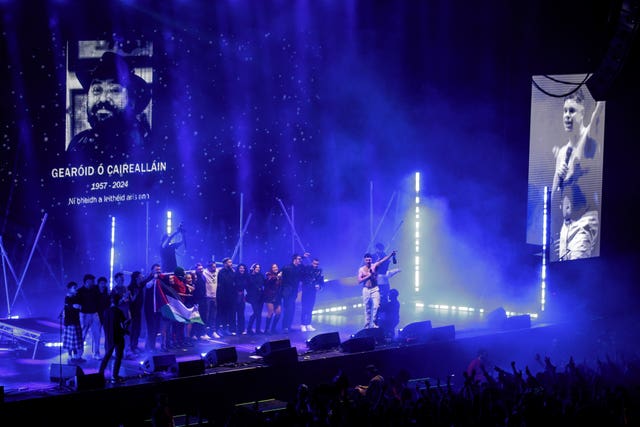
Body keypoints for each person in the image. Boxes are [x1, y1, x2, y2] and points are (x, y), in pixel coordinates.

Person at [67, 51, 151, 159]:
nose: (103, 99)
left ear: (132, 102)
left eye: (115, 90)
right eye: (97, 90)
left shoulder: (147, 147)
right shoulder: (77, 144)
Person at [551, 88, 603, 261]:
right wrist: (559, 177)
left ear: (582, 114)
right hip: (566, 227)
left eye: (572, 111)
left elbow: (599, 111)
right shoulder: (562, 153)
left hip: (584, 221)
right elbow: (553, 197)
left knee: (577, 273)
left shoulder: (588, 138)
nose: (567, 115)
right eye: (565, 111)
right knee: (563, 280)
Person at [358, 250, 396, 329]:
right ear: (365, 260)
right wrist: (369, 276)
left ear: (371, 260)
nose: (368, 261)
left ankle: (374, 323)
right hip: (366, 290)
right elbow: (359, 281)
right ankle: (367, 326)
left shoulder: (374, 266)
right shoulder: (361, 269)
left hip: (375, 289)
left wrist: (391, 255)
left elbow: (383, 260)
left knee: (377, 306)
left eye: (370, 259)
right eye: (367, 260)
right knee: (367, 308)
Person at [99, 292, 129, 383]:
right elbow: (123, 324)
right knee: (118, 356)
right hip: (118, 336)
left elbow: (105, 325)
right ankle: (115, 376)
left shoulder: (106, 311)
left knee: (107, 356)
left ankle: (100, 374)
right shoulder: (118, 311)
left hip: (109, 337)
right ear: (118, 301)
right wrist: (126, 329)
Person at [77, 273, 103, 360]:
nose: (93, 283)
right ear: (87, 281)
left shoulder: (95, 289)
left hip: (95, 314)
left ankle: (96, 353)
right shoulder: (80, 291)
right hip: (84, 315)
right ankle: (79, 354)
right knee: (83, 334)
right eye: (92, 281)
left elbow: (100, 298)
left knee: (97, 334)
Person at [280, 253, 308, 333]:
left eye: (300, 259)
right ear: (294, 260)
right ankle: (285, 327)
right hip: (287, 291)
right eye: (299, 259)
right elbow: (281, 276)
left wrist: (303, 257)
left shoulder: (299, 268)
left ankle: (288, 326)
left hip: (294, 292)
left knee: (292, 309)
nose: (300, 261)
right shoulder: (287, 267)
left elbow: (304, 269)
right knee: (287, 309)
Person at [62, 281, 85, 363]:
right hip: (70, 322)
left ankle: (75, 356)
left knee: (76, 340)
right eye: (74, 288)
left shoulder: (76, 296)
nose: (76, 289)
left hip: (76, 321)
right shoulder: (67, 298)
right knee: (70, 340)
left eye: (76, 287)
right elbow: (68, 307)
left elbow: (80, 305)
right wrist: (73, 306)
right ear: (69, 289)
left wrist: (79, 306)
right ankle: (70, 356)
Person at [300, 257, 323, 332]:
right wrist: (303, 257)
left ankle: (308, 324)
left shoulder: (319, 271)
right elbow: (301, 268)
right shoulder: (307, 269)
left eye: (317, 264)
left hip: (313, 292)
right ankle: (303, 324)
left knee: (310, 308)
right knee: (304, 307)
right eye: (314, 263)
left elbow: (321, 281)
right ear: (311, 262)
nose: (315, 265)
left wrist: (319, 286)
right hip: (306, 291)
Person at [216, 257, 236, 336]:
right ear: (225, 264)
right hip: (223, 297)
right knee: (223, 314)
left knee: (230, 314)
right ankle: (222, 329)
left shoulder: (233, 272)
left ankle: (229, 329)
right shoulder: (221, 272)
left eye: (231, 262)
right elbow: (221, 285)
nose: (230, 264)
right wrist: (221, 297)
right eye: (229, 262)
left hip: (231, 296)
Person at [245, 263, 265, 334]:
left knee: (258, 313)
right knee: (256, 313)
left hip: (261, 297)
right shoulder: (249, 276)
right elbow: (247, 286)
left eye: (259, 267)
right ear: (253, 268)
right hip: (253, 297)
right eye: (257, 267)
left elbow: (264, 284)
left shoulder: (261, 275)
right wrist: (251, 293)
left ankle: (257, 329)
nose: (258, 268)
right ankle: (249, 329)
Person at [263, 263, 282, 334]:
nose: (275, 268)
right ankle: (266, 329)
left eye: (276, 267)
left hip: (277, 297)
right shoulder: (269, 275)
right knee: (270, 313)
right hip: (269, 297)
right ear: (271, 269)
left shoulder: (280, 276)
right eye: (273, 267)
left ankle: (273, 329)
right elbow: (270, 282)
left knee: (278, 313)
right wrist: (277, 277)